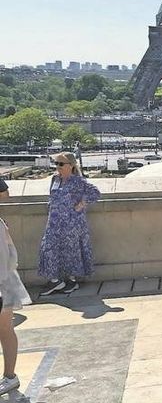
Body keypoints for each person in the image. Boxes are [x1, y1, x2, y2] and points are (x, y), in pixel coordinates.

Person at [37, 152, 101, 297]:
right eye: (56, 163)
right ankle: (55, 280)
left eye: (61, 164)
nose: (58, 166)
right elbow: (52, 196)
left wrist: (81, 204)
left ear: (71, 166)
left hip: (72, 223)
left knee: (71, 250)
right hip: (54, 222)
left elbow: (95, 193)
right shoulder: (55, 179)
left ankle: (72, 281)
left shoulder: (78, 181)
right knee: (48, 248)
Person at [0, 211, 31, 395]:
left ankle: (10, 376)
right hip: (6, 283)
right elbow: (12, 255)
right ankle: (10, 376)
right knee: (5, 330)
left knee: (5, 329)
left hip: (3, 284)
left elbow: (10, 256)